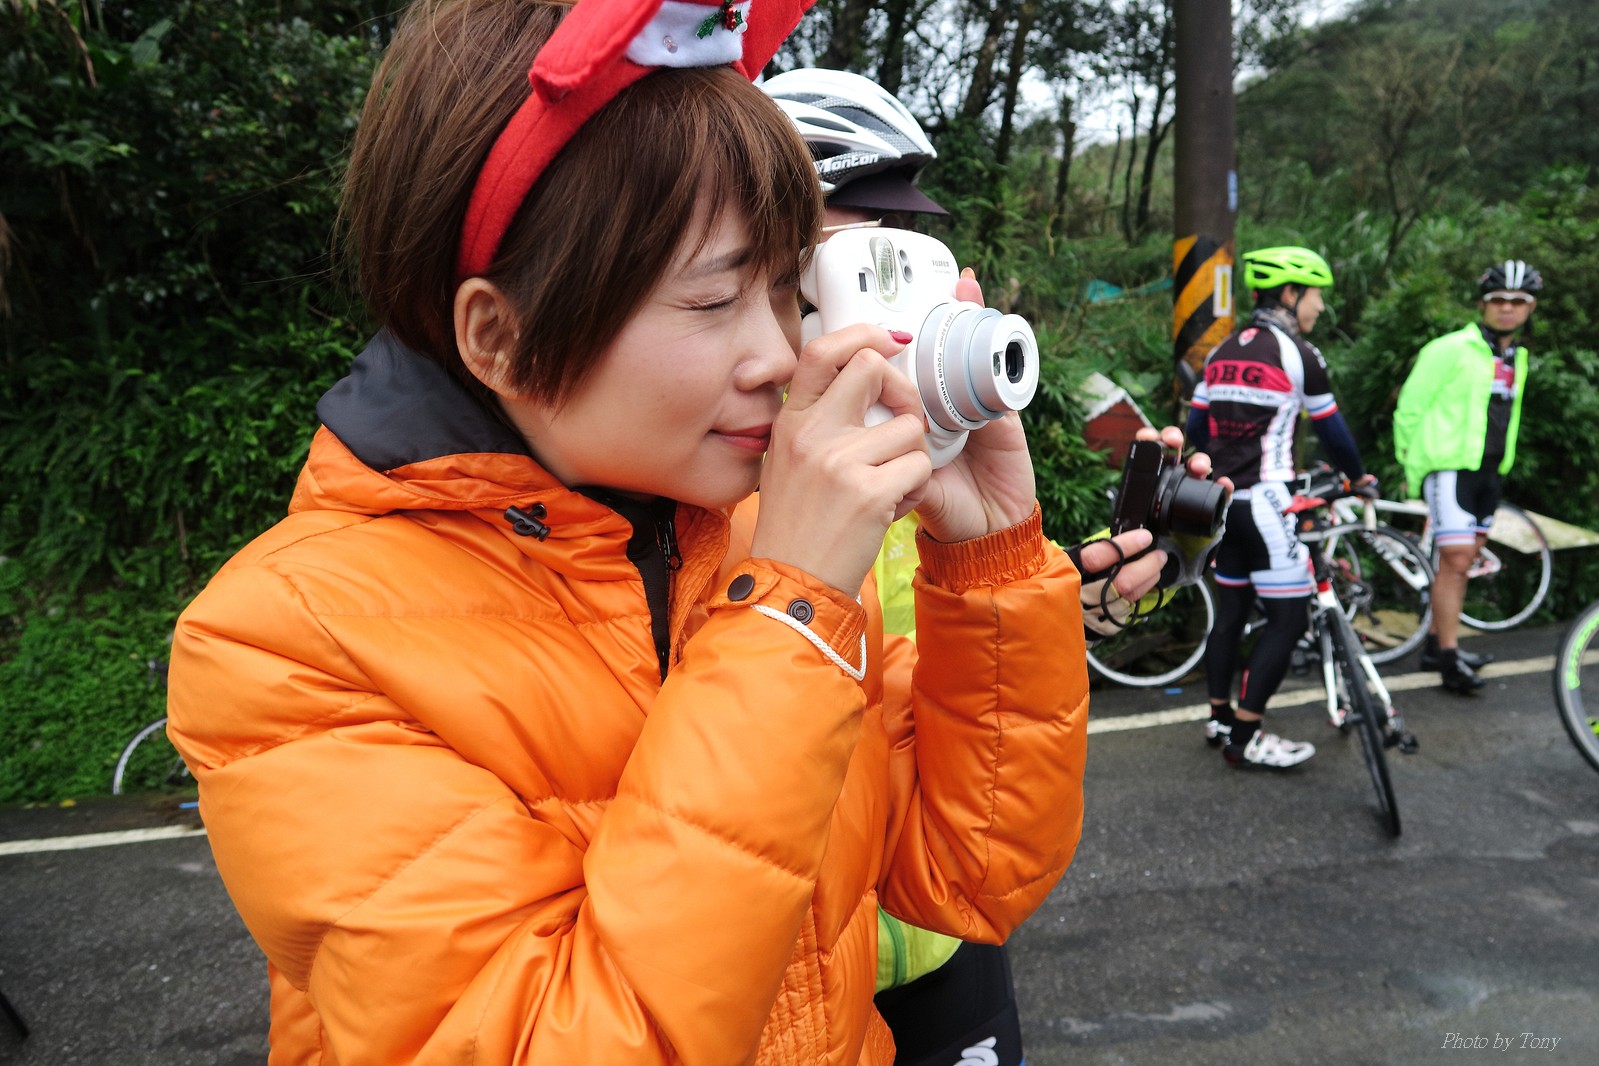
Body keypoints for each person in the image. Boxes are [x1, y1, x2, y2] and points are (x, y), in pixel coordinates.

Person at [165, 4, 1132, 1062]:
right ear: (499, 336)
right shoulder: (288, 644)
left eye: (784, 289)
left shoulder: (753, 540)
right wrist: (788, 618)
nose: (780, 355)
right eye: (713, 300)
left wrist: (985, 561)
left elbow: (973, 869)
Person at [767, 67, 1220, 1065]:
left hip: (940, 938)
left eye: (905, 258)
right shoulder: (694, 493)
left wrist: (1064, 600)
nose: (891, 306)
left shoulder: (928, 460)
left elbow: (973, 727)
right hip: (783, 985)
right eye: (855, 264)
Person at [1187, 246, 1376, 769]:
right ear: (1291, 293)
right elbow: (1332, 430)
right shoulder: (1299, 354)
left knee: (1231, 613)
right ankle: (1246, 737)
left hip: (1222, 504)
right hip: (1269, 505)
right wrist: (1358, 477)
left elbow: (1197, 429)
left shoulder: (1221, 351)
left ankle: (1220, 719)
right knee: (1289, 620)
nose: (1319, 307)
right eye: (1316, 296)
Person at [1393, 260, 1539, 695]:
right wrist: (1412, 467)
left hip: (1489, 472)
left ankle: (1437, 645)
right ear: (1482, 305)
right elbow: (1410, 407)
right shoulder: (1449, 348)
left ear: (1530, 308)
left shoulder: (1517, 356)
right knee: (1456, 561)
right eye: (1499, 300)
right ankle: (1449, 659)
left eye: (1518, 301)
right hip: (1450, 468)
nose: (1507, 309)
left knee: (1462, 561)